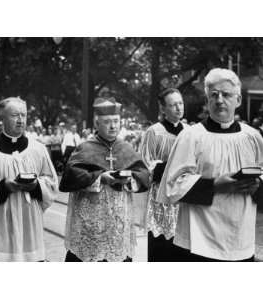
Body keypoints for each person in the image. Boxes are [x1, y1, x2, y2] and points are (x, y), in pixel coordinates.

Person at [157, 68, 263, 261]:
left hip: (241, 239)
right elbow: (173, 185)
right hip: (199, 241)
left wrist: (257, 185)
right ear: (207, 101)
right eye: (214, 95)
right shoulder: (191, 136)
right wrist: (214, 185)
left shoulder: (253, 138)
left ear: (238, 100)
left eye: (226, 94)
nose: (219, 100)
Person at [0, 97, 58, 261]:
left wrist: (36, 186)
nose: (21, 120)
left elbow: (51, 183)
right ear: (2, 118)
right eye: (15, 115)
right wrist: (2, 186)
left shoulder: (38, 150)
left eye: (23, 115)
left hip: (29, 226)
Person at [60, 97, 149, 262]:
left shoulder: (126, 148)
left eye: (116, 121)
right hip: (90, 227)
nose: (113, 126)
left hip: (118, 227)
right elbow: (70, 177)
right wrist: (100, 178)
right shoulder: (85, 148)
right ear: (97, 124)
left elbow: (144, 175)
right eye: (107, 121)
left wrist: (129, 180)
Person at [140, 88, 187, 261]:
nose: (178, 108)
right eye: (173, 105)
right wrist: (168, 168)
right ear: (163, 109)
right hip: (161, 196)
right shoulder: (154, 132)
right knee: (161, 249)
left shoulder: (190, 132)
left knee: (183, 249)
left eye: (180, 103)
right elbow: (145, 164)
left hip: (184, 197)